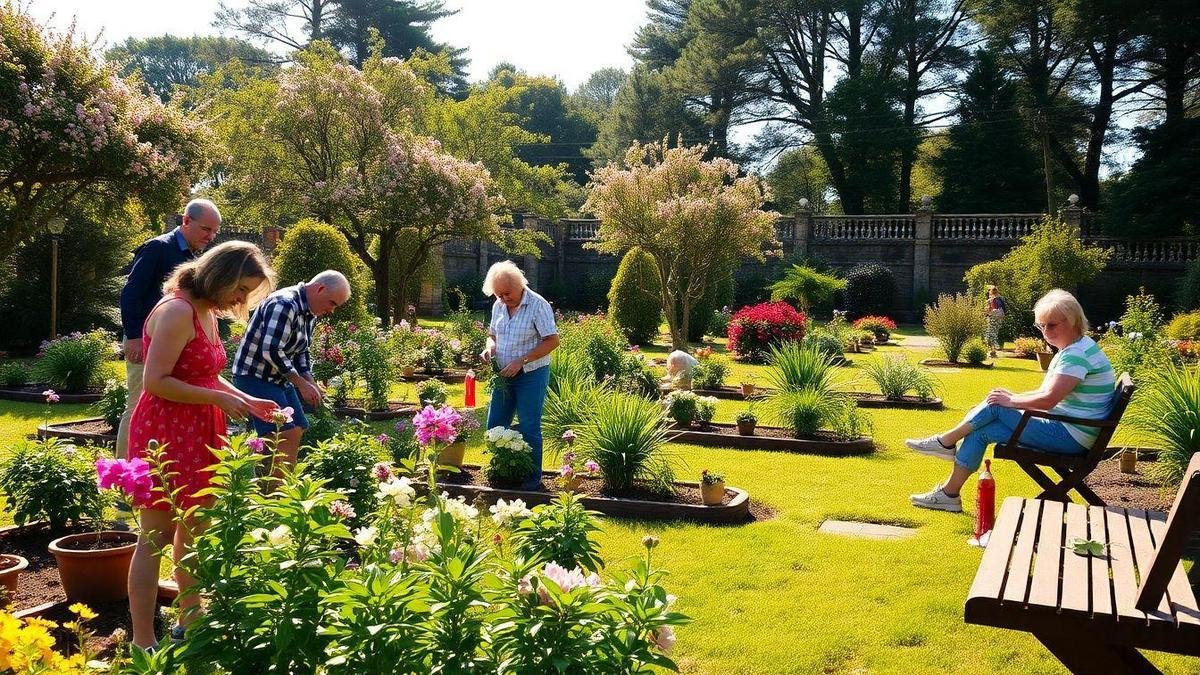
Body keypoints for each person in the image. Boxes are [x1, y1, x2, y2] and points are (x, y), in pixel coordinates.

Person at [126, 241, 280, 650]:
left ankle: (190, 623)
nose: (240, 300)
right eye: (240, 289)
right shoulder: (177, 311)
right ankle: (142, 640)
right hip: (166, 430)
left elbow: (204, 373)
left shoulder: (206, 311)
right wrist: (217, 399)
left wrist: (246, 400)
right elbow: (155, 380)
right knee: (155, 536)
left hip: (199, 428)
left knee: (194, 532)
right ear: (221, 276)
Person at [904, 289, 1115, 513]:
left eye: (1051, 325)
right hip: (1070, 430)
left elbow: (1048, 400)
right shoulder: (1078, 348)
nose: (1045, 332)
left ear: (1072, 320)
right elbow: (1048, 395)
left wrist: (1011, 401)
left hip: (1070, 437)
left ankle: (945, 442)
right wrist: (1012, 397)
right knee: (982, 428)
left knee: (995, 406)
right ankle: (949, 494)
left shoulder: (1075, 355)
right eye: (1041, 326)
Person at [117, 199, 222, 459]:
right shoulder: (158, 248)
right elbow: (131, 294)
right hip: (148, 340)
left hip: (180, 343)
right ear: (186, 221)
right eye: (206, 229)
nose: (211, 237)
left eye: (214, 231)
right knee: (137, 404)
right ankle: (124, 474)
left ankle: (161, 470)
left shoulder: (198, 257)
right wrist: (132, 337)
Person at [232, 271, 352, 470]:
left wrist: (309, 379)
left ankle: (284, 486)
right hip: (254, 376)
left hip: (278, 379)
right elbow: (271, 350)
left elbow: (301, 351)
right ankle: (268, 489)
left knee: (297, 428)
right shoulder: (284, 304)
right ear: (320, 289)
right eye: (332, 303)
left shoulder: (310, 312)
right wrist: (301, 384)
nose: (331, 310)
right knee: (279, 433)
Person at [480, 260, 560, 490]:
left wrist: (522, 361)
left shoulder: (537, 305)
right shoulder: (498, 305)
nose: (504, 299)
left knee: (529, 426)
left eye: (507, 294)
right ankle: (501, 471)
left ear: (519, 285)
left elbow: (553, 341)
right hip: (503, 375)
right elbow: (492, 335)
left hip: (531, 375)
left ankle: (531, 480)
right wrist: (489, 348)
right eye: (499, 295)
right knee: (495, 424)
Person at [985, 285, 1007, 358]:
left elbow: (990, 310)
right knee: (994, 333)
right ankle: (993, 351)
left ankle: (993, 351)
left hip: (993, 318)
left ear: (991, 292)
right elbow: (1004, 309)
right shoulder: (1001, 298)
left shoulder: (992, 300)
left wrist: (987, 313)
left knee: (990, 334)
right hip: (999, 318)